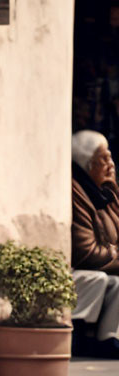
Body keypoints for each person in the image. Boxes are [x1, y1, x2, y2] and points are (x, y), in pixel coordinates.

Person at [70, 130, 119, 358]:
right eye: (104, 158)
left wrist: (113, 191)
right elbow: (86, 252)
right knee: (98, 279)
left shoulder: (101, 192)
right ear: (88, 164)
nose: (111, 164)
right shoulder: (76, 190)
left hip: (97, 265)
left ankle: (108, 339)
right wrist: (114, 253)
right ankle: (80, 338)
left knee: (117, 283)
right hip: (80, 270)